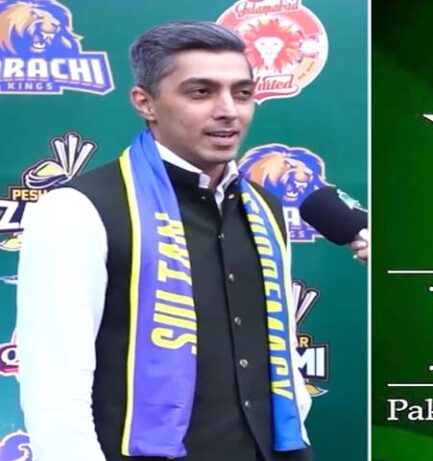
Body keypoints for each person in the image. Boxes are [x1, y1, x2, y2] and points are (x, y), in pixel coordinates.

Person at [16, 21, 365, 461]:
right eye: (201, 92)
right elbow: (55, 388)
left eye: (242, 93)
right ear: (145, 102)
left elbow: (279, 356)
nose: (228, 110)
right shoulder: (77, 209)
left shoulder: (266, 208)